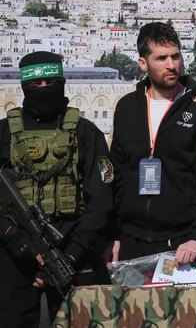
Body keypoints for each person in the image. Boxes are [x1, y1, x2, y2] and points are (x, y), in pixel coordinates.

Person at [0, 51, 114, 328]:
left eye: (50, 83)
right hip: (13, 253)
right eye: (35, 85)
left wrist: (72, 253)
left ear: (62, 83)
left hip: (73, 252)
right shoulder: (4, 133)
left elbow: (102, 200)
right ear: (23, 87)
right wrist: (16, 239)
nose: (43, 90)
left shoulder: (88, 134)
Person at [108, 22, 196, 264]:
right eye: (161, 58)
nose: (171, 65)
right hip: (131, 241)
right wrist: (112, 234)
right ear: (143, 63)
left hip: (183, 244)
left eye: (175, 56)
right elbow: (113, 174)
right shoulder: (126, 105)